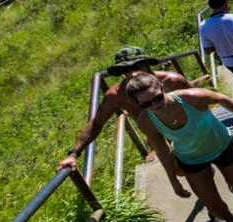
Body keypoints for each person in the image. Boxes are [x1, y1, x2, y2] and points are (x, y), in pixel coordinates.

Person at [126, 73, 233, 222]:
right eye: (146, 104)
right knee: (214, 207)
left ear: (161, 87)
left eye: (157, 97)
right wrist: (173, 180)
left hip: (221, 145)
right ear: (138, 104)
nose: (155, 105)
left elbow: (221, 98)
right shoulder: (146, 121)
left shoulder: (191, 98)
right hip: (190, 159)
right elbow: (161, 150)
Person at [56, 47, 193, 172]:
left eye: (137, 66)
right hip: (159, 140)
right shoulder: (116, 96)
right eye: (126, 70)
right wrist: (74, 154)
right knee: (180, 170)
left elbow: (199, 103)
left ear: (147, 64)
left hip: (188, 131)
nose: (133, 73)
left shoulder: (172, 81)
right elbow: (96, 123)